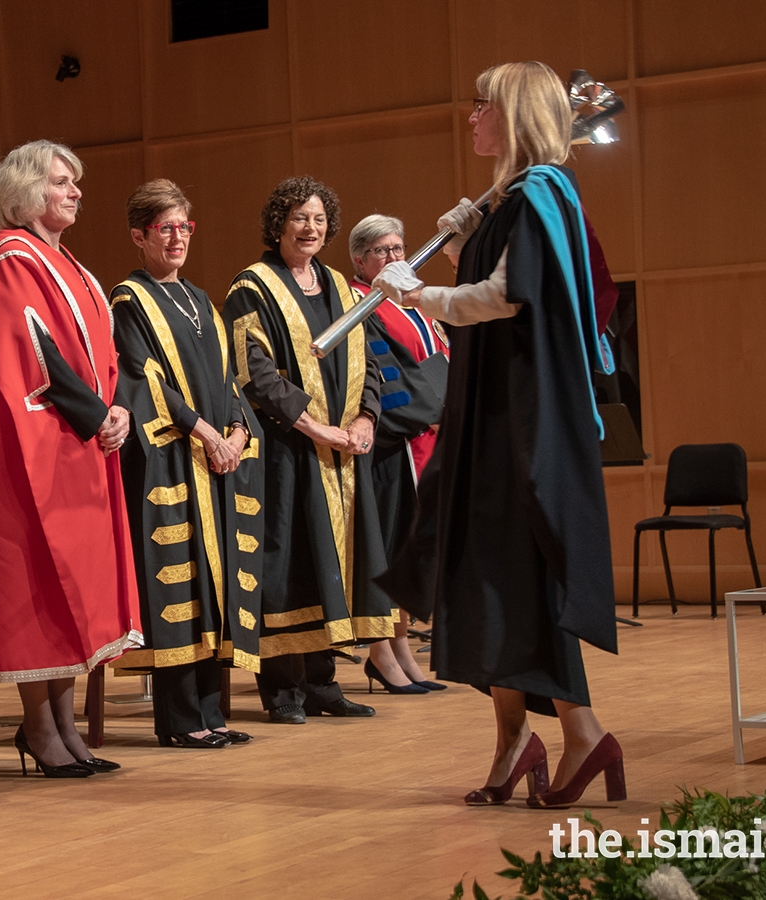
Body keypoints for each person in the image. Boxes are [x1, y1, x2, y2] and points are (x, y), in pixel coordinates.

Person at [374, 61, 623, 808]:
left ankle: (580, 732)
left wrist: (420, 293)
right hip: (487, 411)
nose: (470, 116)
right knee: (478, 567)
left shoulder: (542, 191)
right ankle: (516, 740)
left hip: (521, 418)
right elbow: (504, 276)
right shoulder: (515, 198)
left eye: (481, 105)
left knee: (514, 570)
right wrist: (464, 238)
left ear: (511, 115)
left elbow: (508, 298)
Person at [0, 139, 142, 777]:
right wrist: (100, 416)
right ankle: (39, 728)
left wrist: (118, 408)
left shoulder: (69, 265)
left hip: (83, 447)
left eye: (75, 183)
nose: (75, 192)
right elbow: (38, 355)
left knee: (73, 589)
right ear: (24, 190)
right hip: (35, 453)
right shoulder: (12, 260)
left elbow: (104, 357)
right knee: (38, 585)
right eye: (62, 182)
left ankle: (65, 727)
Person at [223, 175, 395, 725]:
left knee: (333, 566)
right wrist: (315, 428)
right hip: (286, 452)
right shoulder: (252, 287)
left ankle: (324, 683)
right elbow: (254, 372)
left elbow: (368, 359)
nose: (310, 228)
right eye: (299, 217)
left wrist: (367, 417)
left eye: (319, 219)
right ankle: (283, 689)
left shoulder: (344, 290)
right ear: (278, 224)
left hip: (343, 454)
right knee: (289, 563)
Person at [110, 179, 264, 748]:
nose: (176, 238)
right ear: (139, 236)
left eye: (184, 227)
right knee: (180, 586)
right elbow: (142, 379)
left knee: (215, 583)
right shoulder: (129, 300)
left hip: (215, 460)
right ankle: (180, 720)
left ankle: (212, 710)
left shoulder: (201, 299)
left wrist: (238, 432)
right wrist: (203, 432)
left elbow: (227, 379)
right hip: (170, 459)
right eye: (164, 229)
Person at [346, 214, 449, 695]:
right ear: (360, 261)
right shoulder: (360, 303)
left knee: (408, 548)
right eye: (383, 251)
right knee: (386, 548)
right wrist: (425, 411)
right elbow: (379, 375)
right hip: (391, 445)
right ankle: (380, 651)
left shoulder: (414, 302)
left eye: (399, 248)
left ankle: (402, 645)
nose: (395, 258)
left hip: (427, 439)